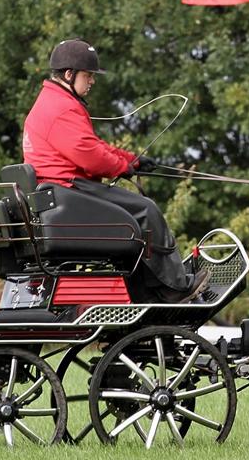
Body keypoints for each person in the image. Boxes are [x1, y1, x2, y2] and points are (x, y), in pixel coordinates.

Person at [21, 38, 208, 303]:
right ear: (69, 74)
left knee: (132, 218)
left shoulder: (55, 101)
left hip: (64, 192)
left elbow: (92, 145)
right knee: (145, 210)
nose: (92, 81)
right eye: (88, 75)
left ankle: (146, 294)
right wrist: (123, 167)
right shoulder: (59, 108)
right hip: (68, 191)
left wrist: (133, 160)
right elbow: (89, 156)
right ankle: (175, 287)